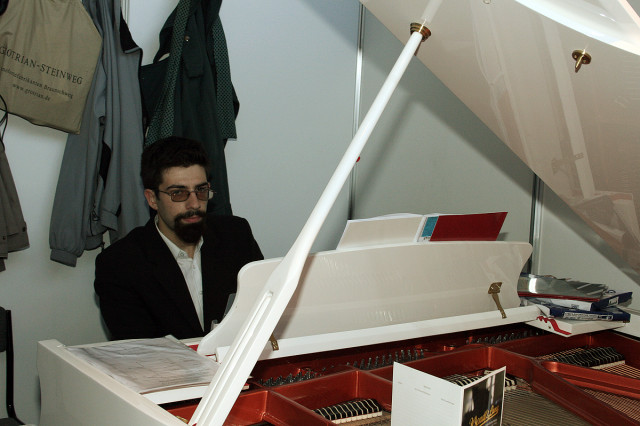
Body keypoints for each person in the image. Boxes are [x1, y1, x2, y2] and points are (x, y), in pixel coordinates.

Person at [94, 136, 263, 340]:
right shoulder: (120, 264)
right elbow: (139, 349)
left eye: (201, 190)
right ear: (152, 199)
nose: (194, 204)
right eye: (178, 193)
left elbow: (264, 313)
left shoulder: (236, 236)